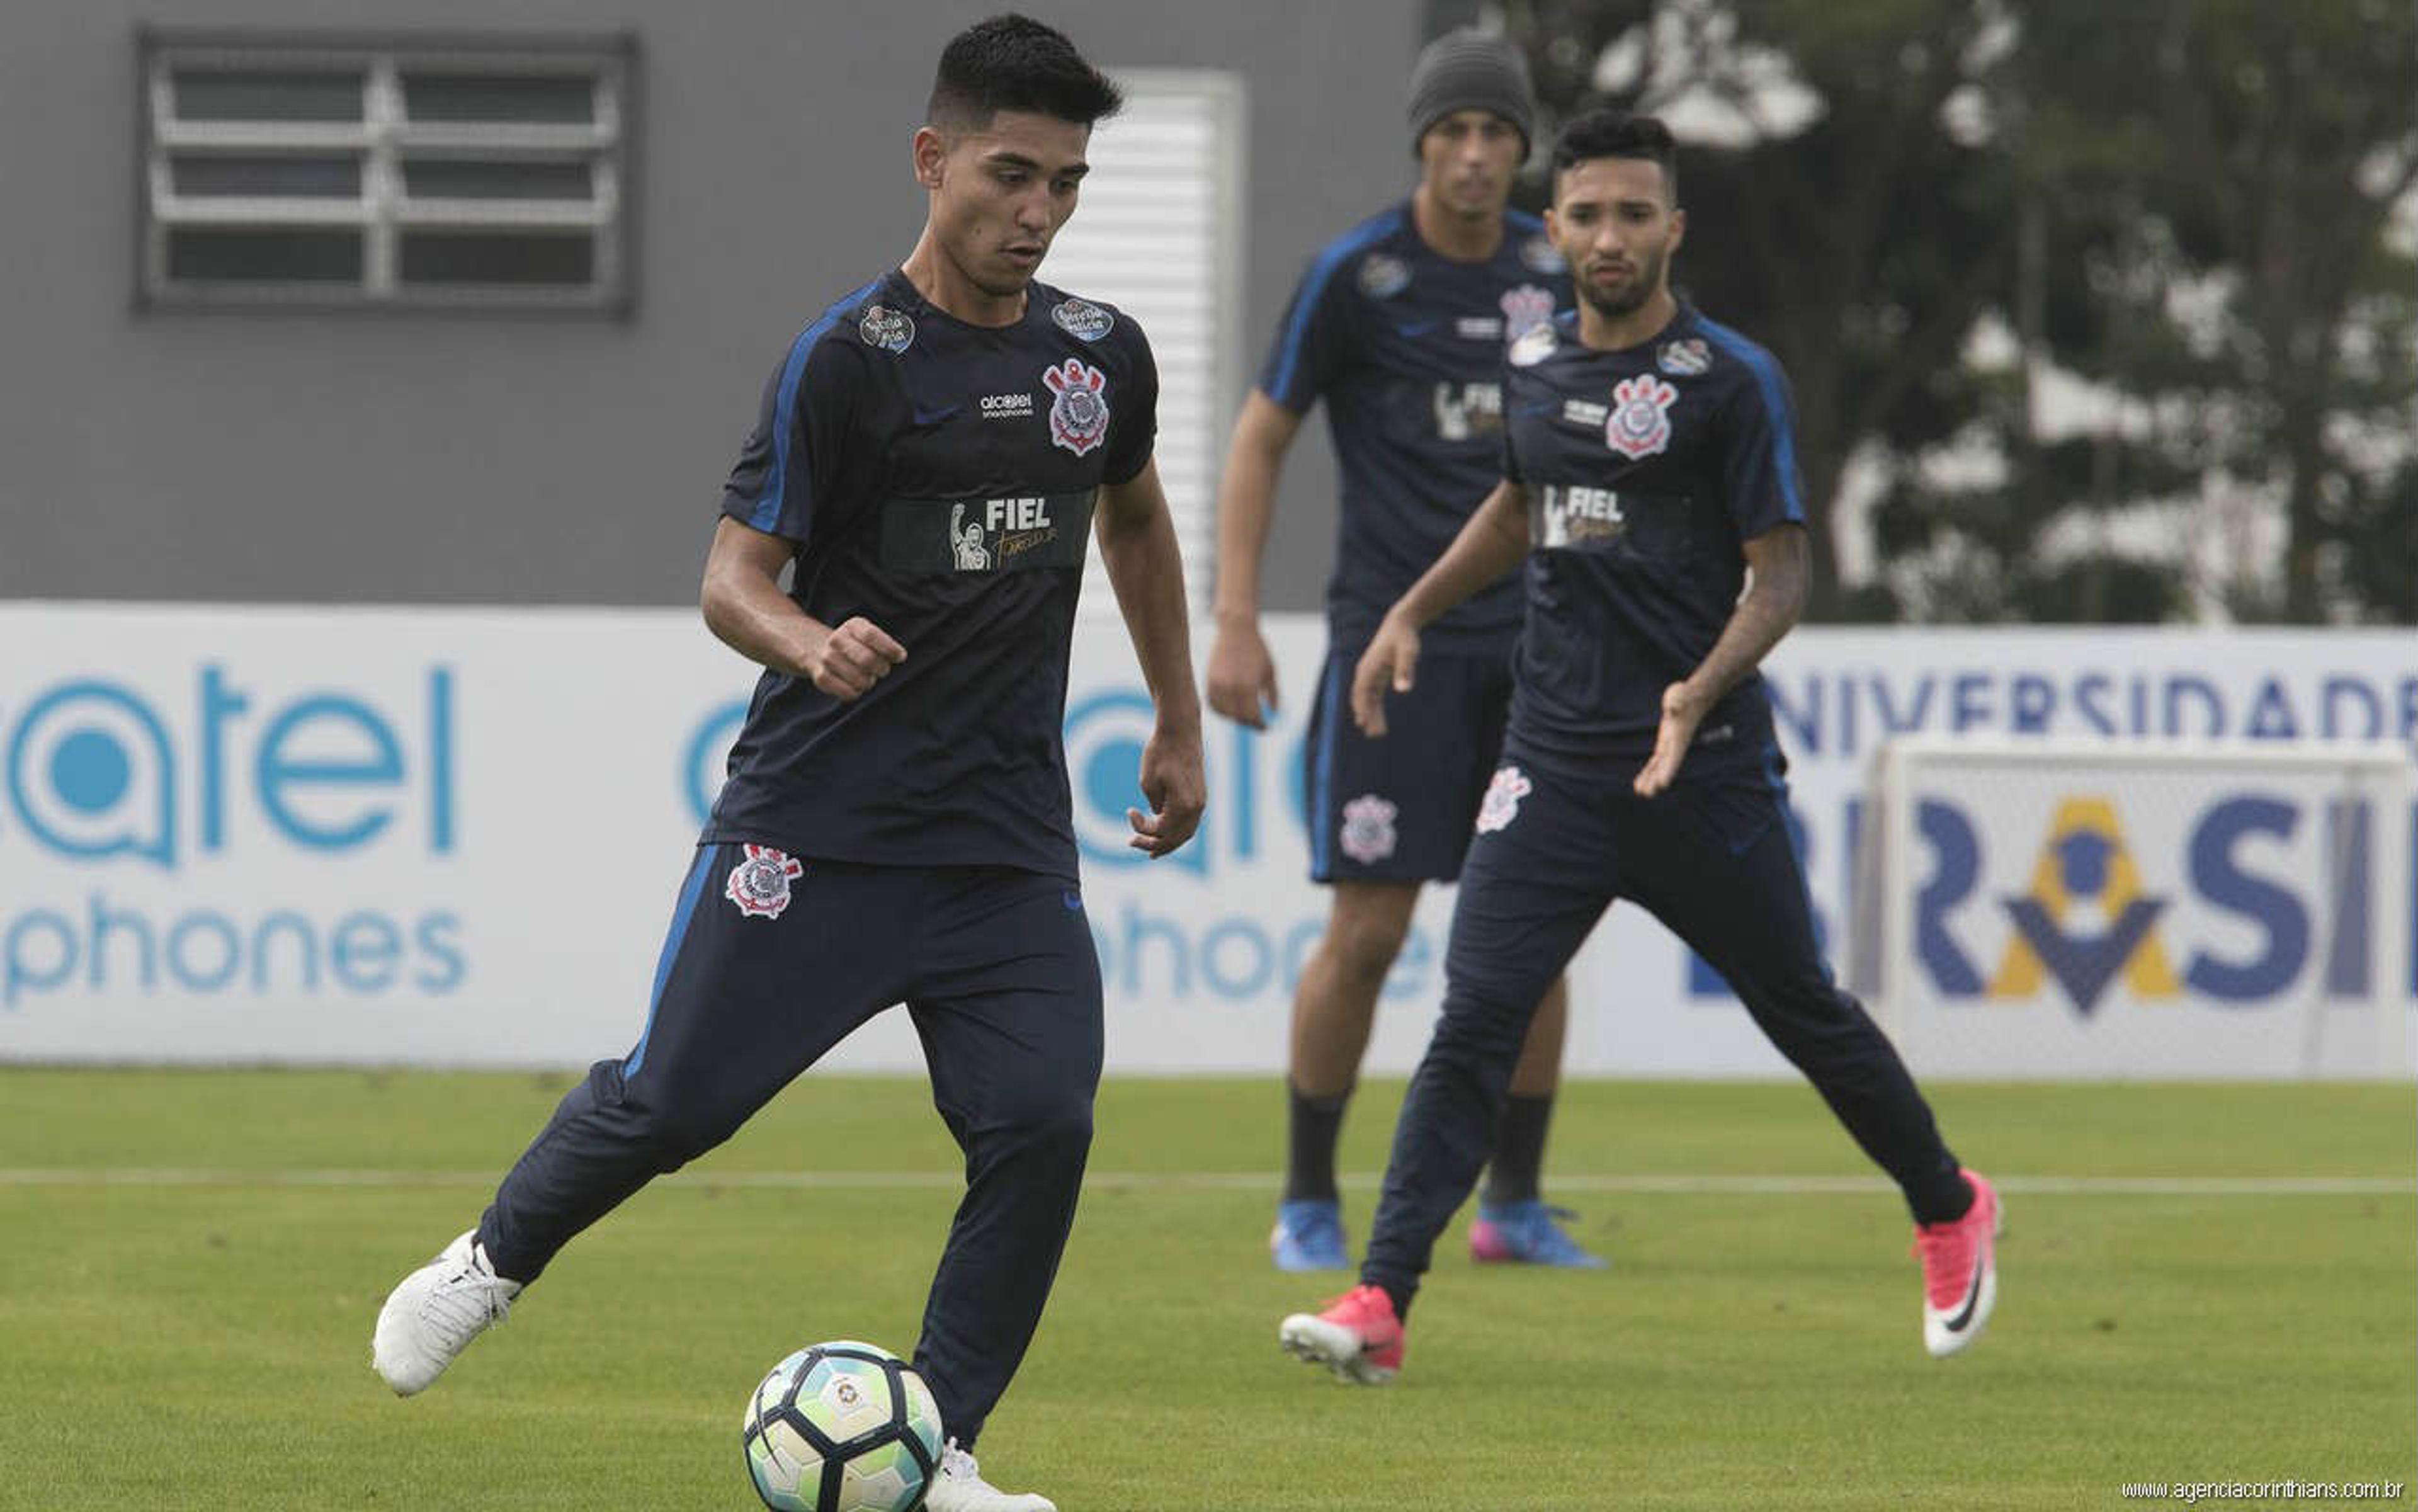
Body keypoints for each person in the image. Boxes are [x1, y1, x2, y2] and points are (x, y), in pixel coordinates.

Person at [370, 18, 1205, 1511]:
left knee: (1045, 1123)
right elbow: (728, 579)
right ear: (932, 159)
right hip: (817, 827)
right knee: (672, 1104)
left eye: (1067, 185)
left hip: (1004, 843)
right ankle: (489, 1259)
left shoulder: (1099, 356)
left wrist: (1180, 715)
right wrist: (810, 643)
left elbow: (1135, 521)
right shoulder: (850, 360)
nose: (1039, 212)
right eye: (1012, 175)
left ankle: (940, 1447)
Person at [1276, 109, 2000, 1385]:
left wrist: (1695, 689)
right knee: (1472, 1020)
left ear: (1674, 227)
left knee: (1805, 1012)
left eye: (1634, 213)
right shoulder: (1540, 360)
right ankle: (1382, 1298)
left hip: (1699, 772)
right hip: (1550, 767)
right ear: (1552, 230)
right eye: (1587, 214)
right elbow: (1517, 505)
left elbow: (1780, 579)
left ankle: (1947, 1203)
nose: (1609, 236)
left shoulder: (1732, 381)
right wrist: (1411, 611)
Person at [1208, 28, 1601, 1275]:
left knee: (1532, 932)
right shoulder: (1357, 277)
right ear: (1422, 142)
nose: (1478, 154)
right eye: (1457, 132)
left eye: (1499, 132)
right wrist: (1232, 617)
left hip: (1542, 655)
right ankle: (1309, 1196)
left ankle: (1515, 1205)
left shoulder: (1558, 266)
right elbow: (1260, 437)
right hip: (1397, 652)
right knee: (1369, 933)